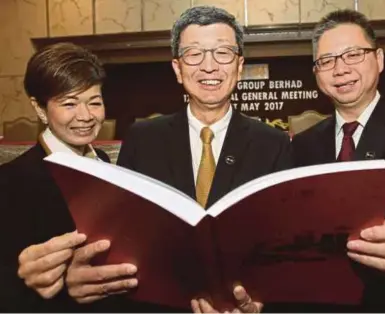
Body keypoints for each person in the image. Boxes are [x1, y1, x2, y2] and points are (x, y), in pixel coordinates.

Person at [64, 5, 291, 313]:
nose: (209, 67)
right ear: (177, 68)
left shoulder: (274, 143)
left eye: (222, 53)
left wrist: (258, 298)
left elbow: (284, 244)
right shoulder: (143, 137)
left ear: (239, 66)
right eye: (194, 54)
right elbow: (126, 235)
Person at [290, 9, 385, 312]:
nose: (340, 69)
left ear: (379, 59)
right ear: (317, 73)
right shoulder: (301, 147)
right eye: (327, 61)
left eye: (353, 55)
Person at [0, 42, 110, 312]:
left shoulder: (105, 162)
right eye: (69, 103)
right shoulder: (10, 181)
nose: (85, 116)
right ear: (40, 109)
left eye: (94, 102)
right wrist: (24, 278)